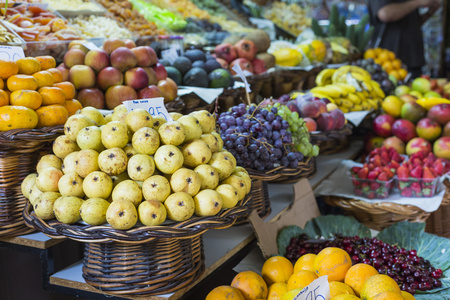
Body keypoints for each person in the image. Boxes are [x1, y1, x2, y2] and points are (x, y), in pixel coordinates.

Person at [368, 0, 441, 78]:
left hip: (413, 59)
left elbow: (412, 23)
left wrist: (429, 12)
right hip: (387, 61)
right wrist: (418, 2)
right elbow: (385, 14)